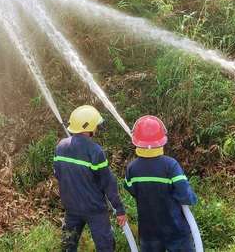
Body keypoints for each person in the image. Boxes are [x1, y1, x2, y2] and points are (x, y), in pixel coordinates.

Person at [53, 105, 128, 252]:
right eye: (96, 126)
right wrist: (119, 209)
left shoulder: (61, 146)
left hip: (71, 207)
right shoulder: (95, 151)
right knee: (105, 246)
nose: (97, 128)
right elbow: (108, 183)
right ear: (89, 127)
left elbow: (57, 173)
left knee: (68, 246)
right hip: (94, 209)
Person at [124, 115, 198, 252]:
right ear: (162, 139)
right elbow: (186, 196)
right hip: (175, 230)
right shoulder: (170, 165)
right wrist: (192, 199)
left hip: (149, 232)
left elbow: (131, 190)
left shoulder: (132, 168)